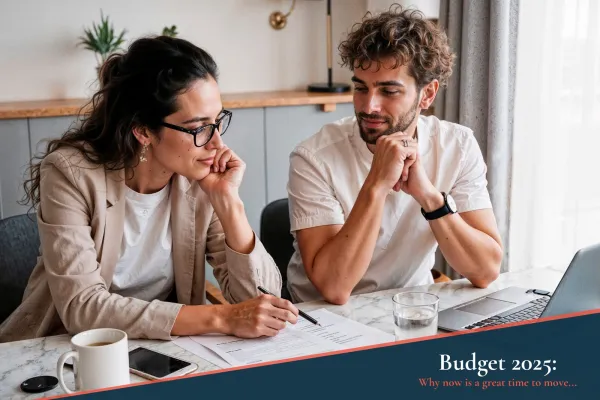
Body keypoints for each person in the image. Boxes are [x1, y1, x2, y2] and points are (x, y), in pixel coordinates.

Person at [0, 36, 298, 343]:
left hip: (164, 349)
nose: (217, 143)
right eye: (198, 128)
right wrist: (221, 317)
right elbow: (82, 307)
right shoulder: (70, 174)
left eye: (218, 121)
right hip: (64, 351)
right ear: (143, 130)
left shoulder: (199, 180)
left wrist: (230, 204)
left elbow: (264, 298)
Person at [286, 6, 503, 304]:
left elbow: (486, 270)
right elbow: (334, 288)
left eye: (389, 91)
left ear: (427, 95)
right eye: (361, 88)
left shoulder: (458, 145)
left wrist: (429, 197)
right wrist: (377, 184)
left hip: (412, 307)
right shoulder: (313, 157)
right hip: (322, 319)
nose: (368, 106)